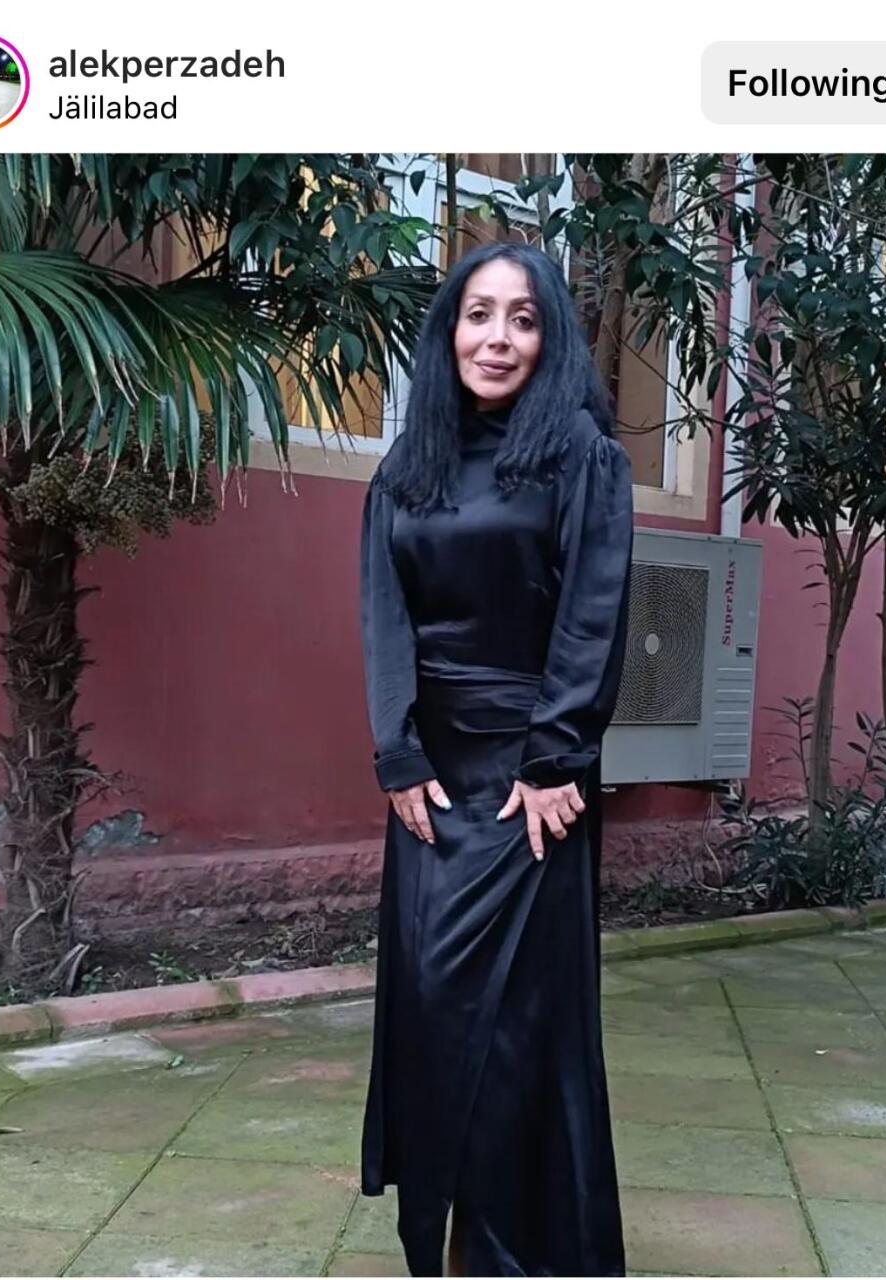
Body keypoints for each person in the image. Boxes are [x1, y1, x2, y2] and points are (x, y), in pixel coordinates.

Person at [359, 240, 634, 1277]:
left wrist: (556, 758)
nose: (497, 338)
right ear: (449, 331)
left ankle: (519, 1250)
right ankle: (450, 1223)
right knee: (433, 1005)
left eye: (523, 319)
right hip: (432, 784)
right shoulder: (408, 463)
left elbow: (593, 609)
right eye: (479, 314)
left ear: (549, 338)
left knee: (521, 1026)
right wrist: (395, 753)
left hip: (533, 781)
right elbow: (382, 611)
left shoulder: (579, 455)